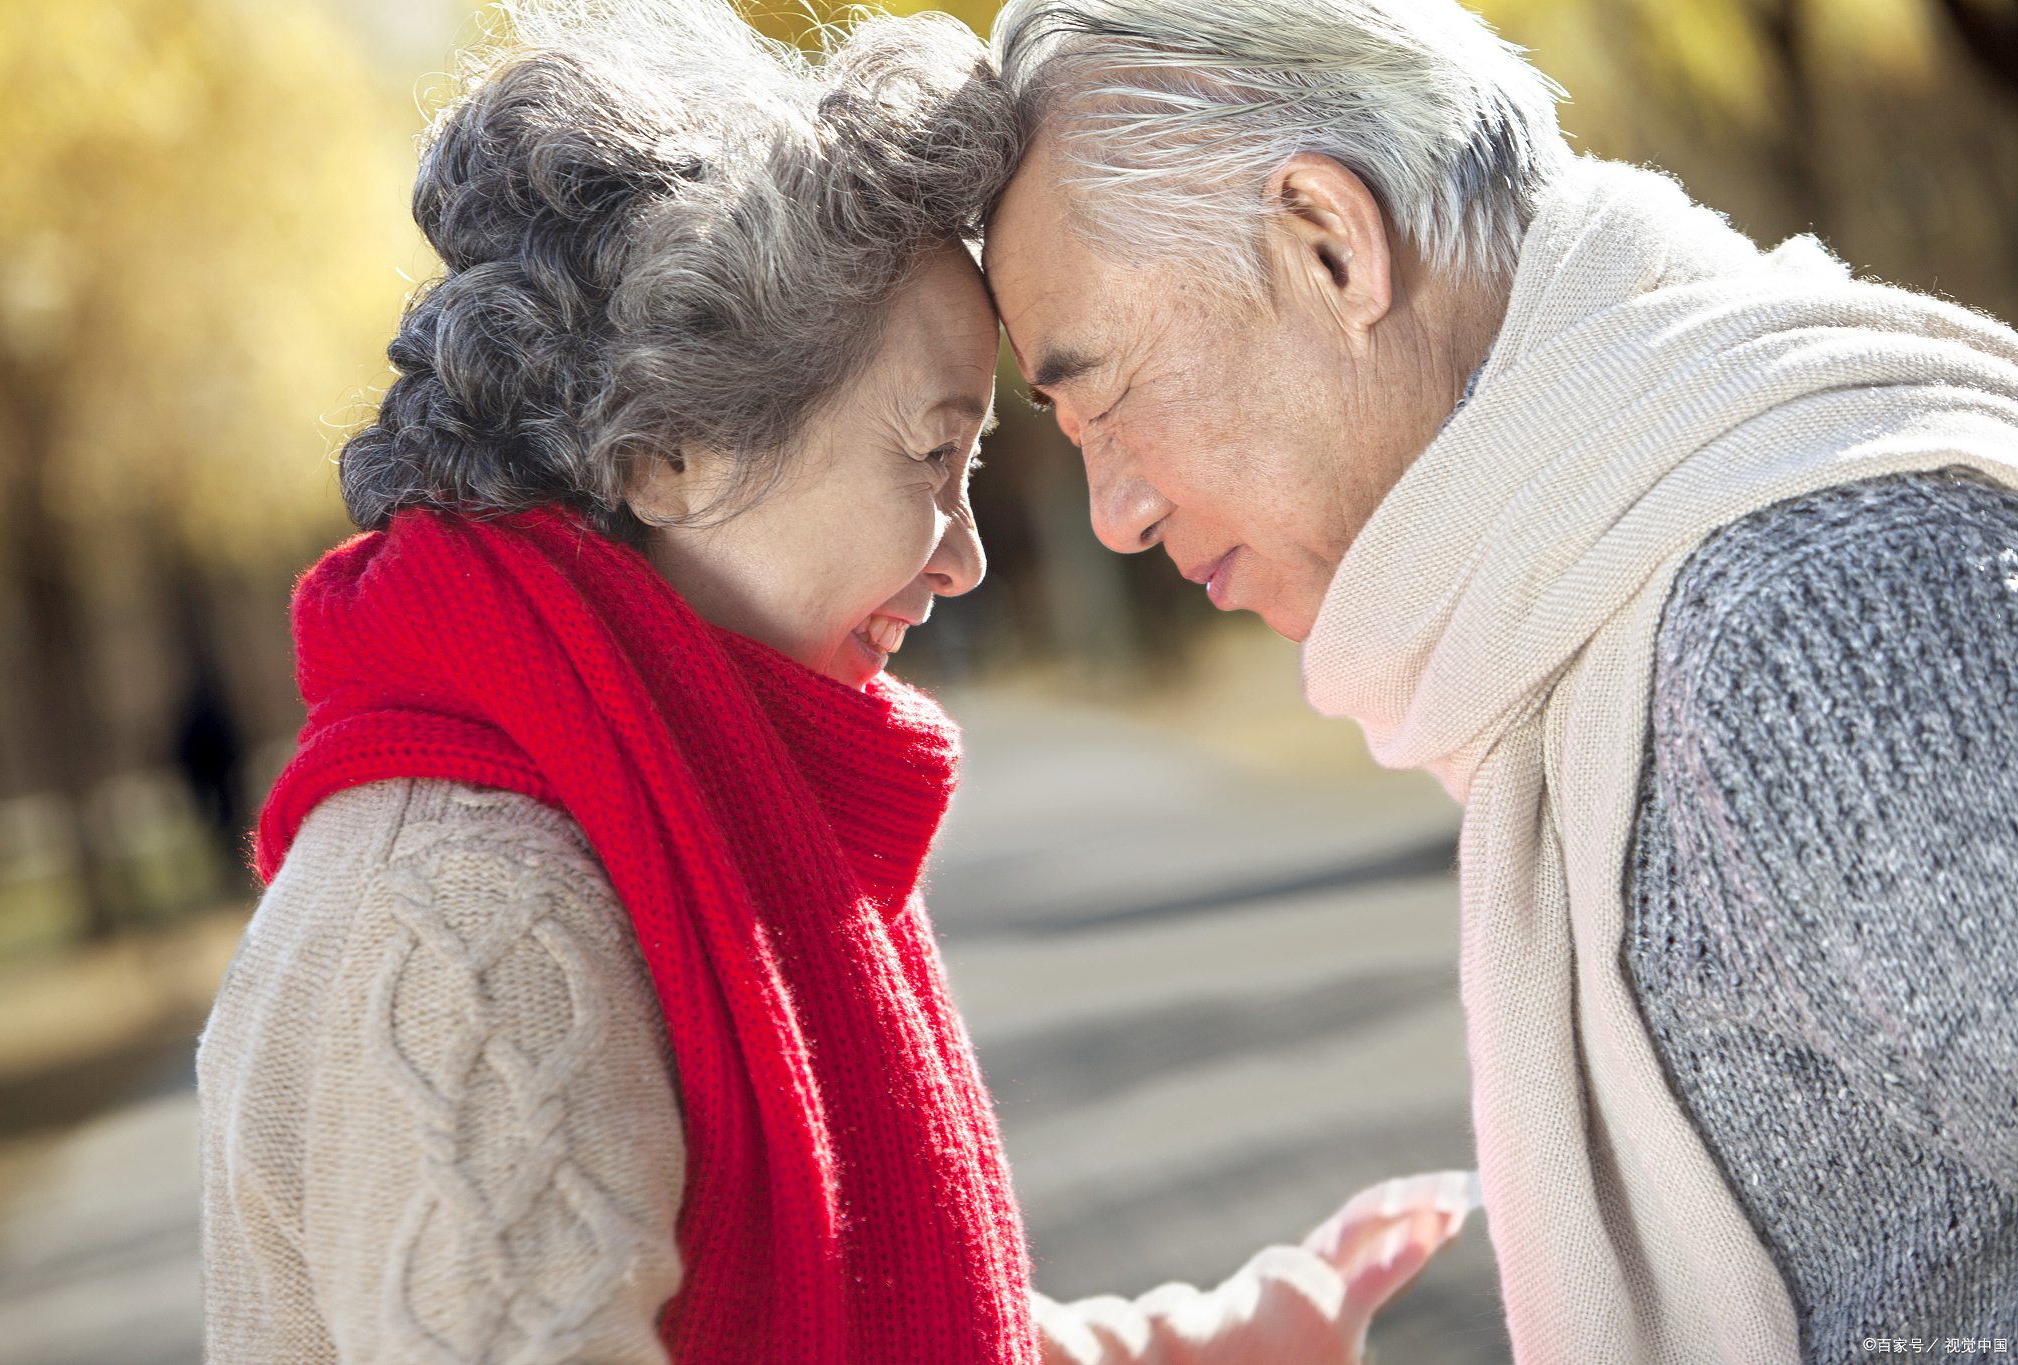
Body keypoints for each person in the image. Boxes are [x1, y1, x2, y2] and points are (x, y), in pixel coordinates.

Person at [196, 2, 1470, 1361]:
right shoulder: (474, 919)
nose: (968, 557)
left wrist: (1201, 1343)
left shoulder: (647, 811)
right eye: (931, 457)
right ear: (668, 453)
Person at [976, 1, 2018, 1361]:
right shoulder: (1620, 615)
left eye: (1103, 393)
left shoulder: (1801, 620)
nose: (1112, 509)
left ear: (1329, 244)